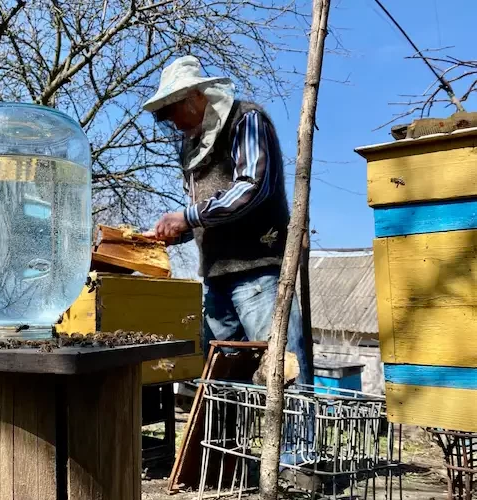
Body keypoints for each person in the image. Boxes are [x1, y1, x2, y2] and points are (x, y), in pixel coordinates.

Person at [143, 55, 318, 487]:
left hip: (259, 269)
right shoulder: (193, 145)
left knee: (283, 369)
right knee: (223, 380)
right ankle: (226, 464)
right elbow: (207, 217)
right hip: (217, 277)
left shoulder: (246, 119)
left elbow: (251, 187)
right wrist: (172, 232)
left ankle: (297, 468)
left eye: (172, 110)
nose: (170, 121)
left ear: (196, 96)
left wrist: (187, 217)